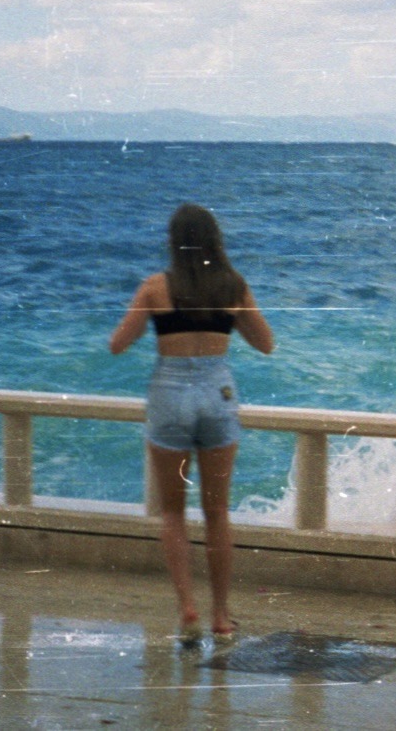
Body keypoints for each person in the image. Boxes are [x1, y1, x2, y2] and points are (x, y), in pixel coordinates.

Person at [109, 203, 275, 645]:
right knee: (217, 512)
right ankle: (221, 614)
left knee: (173, 511)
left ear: (173, 242)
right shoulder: (233, 287)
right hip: (218, 391)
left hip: (170, 392)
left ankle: (187, 607)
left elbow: (117, 345)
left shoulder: (155, 287)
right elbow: (266, 344)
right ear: (215, 240)